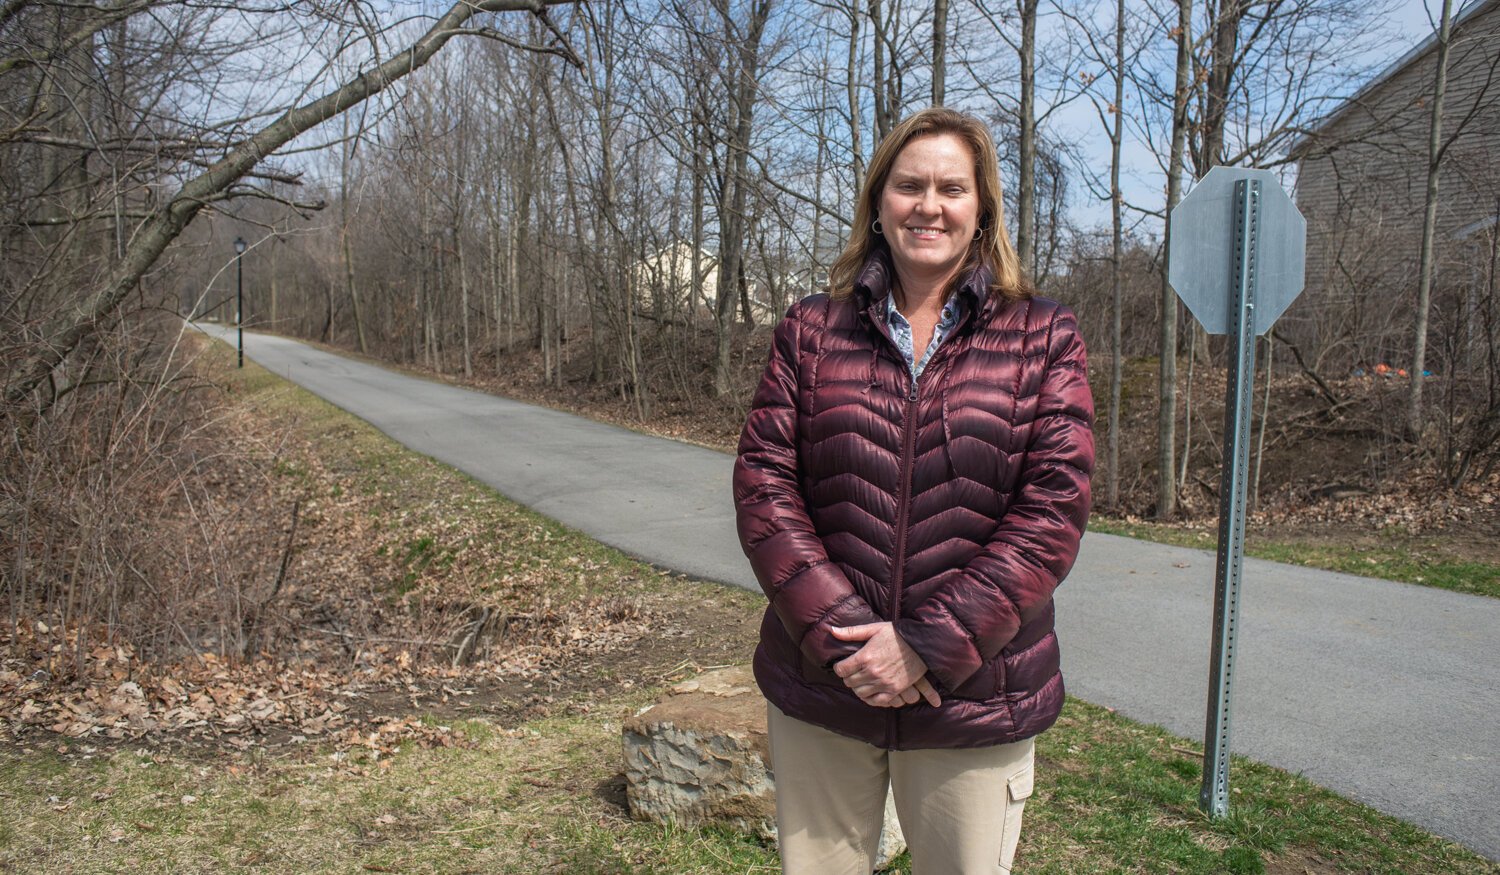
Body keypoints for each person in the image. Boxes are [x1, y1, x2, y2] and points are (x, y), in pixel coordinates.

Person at [732, 107, 1094, 874]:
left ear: (981, 208)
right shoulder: (811, 331)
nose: (928, 204)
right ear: (879, 201)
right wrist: (849, 642)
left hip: (974, 695)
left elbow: (1053, 510)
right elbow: (766, 487)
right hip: (826, 682)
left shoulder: (1044, 336)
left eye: (951, 188)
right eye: (909, 185)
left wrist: (924, 646)